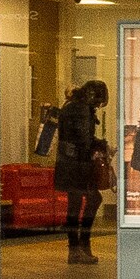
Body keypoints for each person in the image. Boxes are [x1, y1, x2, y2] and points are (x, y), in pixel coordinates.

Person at [54, 79, 111, 263]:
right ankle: (80, 246)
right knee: (90, 200)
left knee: (76, 204)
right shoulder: (81, 110)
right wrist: (101, 145)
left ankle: (77, 248)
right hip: (78, 165)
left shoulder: (72, 105)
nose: (97, 105)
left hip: (69, 164)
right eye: (97, 101)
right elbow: (82, 139)